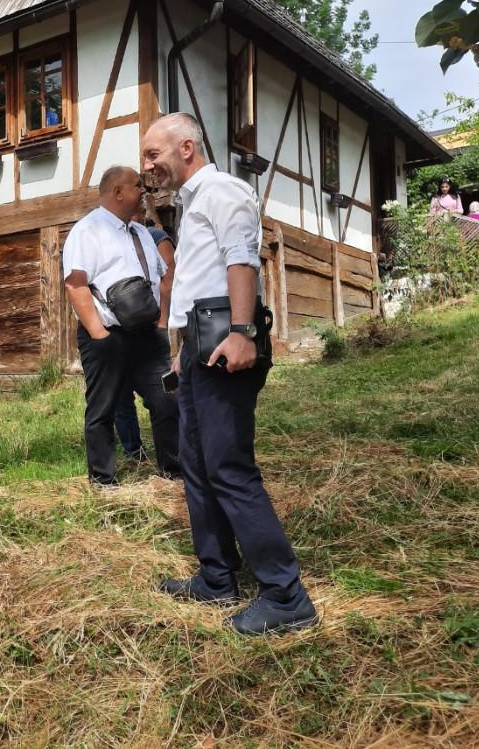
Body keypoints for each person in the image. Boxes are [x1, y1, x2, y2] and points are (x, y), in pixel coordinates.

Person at [141, 113, 318, 635]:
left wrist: (241, 330)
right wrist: (182, 352)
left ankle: (286, 596)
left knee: (229, 467)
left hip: (226, 341)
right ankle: (217, 577)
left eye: (154, 154)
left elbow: (242, 260)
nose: (148, 165)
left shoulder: (223, 190)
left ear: (188, 147)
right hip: (199, 346)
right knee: (196, 464)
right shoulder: (192, 201)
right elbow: (198, 280)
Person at [63, 165, 180, 487]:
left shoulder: (142, 232)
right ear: (117, 192)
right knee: (103, 408)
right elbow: (76, 284)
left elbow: (162, 277)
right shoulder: (88, 230)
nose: (144, 191)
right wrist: (99, 335)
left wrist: (161, 322)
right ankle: (103, 480)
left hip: (148, 336)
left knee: (168, 400)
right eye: (137, 186)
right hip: (107, 335)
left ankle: (174, 472)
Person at [115, 205, 176, 463]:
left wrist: (163, 321)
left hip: (151, 329)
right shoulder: (114, 238)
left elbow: (170, 278)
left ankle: (172, 458)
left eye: (137, 211)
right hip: (119, 332)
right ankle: (134, 452)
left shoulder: (156, 238)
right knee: (120, 395)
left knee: (161, 394)